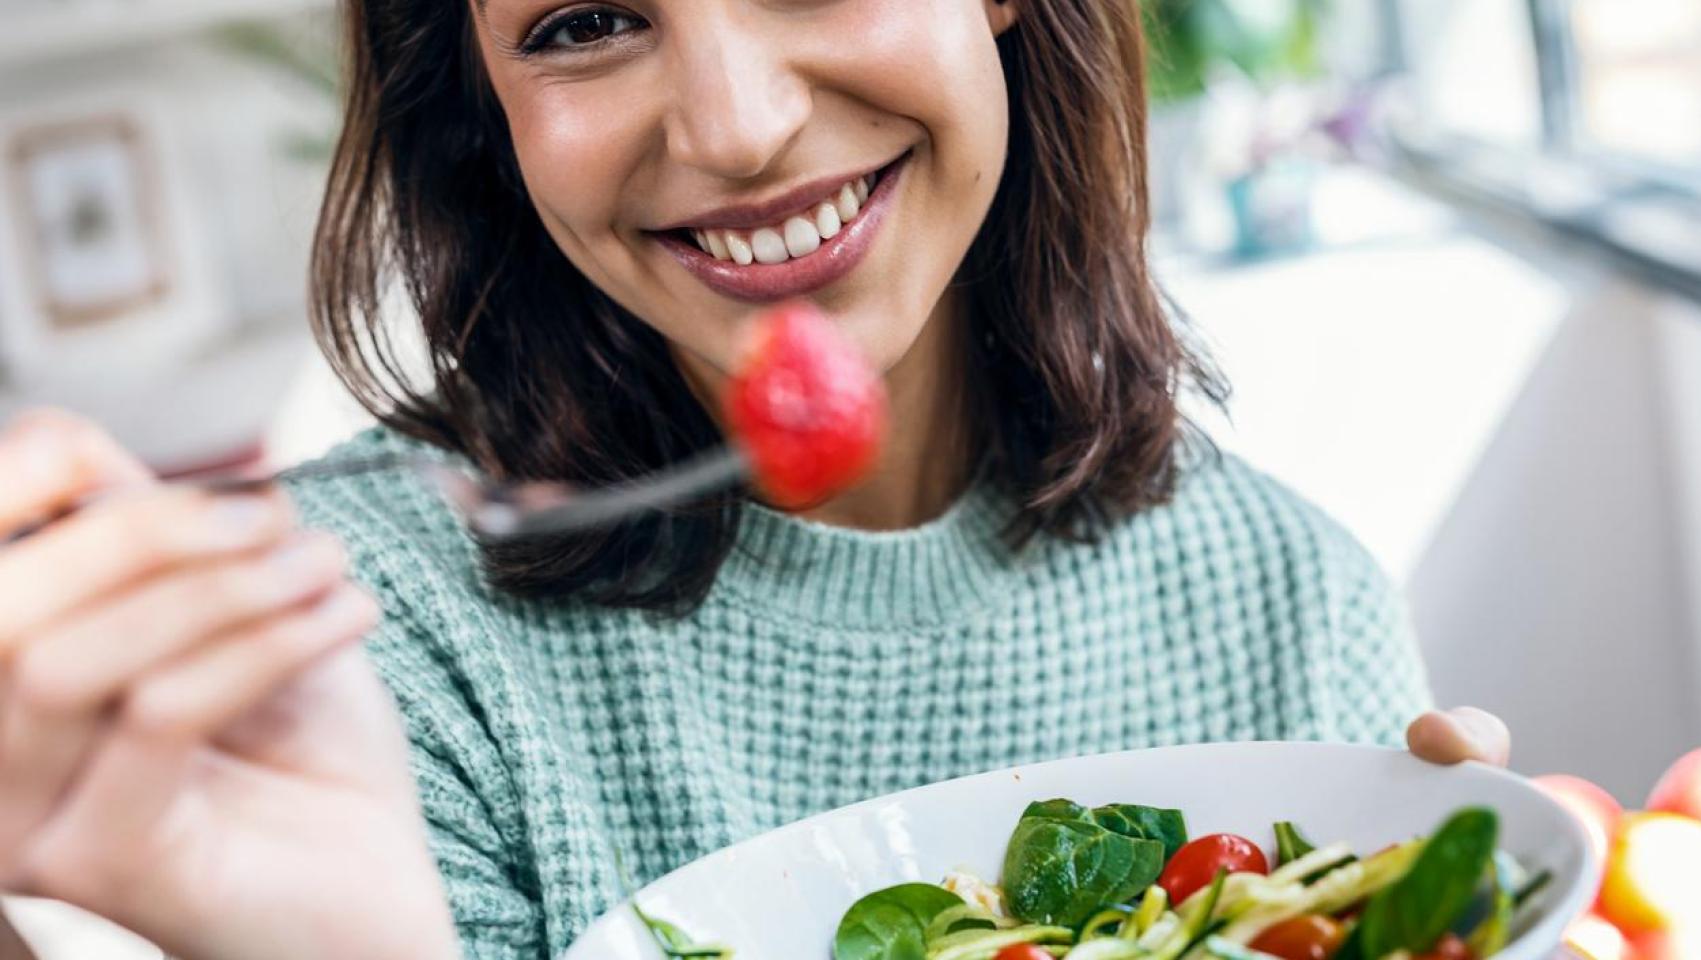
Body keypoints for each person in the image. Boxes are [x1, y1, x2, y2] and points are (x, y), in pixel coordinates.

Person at [0, 2, 1513, 958]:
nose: (734, 124)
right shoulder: (343, 652)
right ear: (481, 107)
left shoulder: (1287, 595)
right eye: (583, 20)